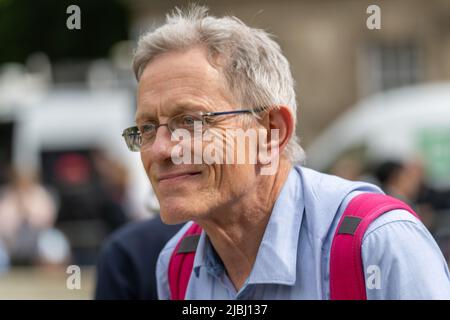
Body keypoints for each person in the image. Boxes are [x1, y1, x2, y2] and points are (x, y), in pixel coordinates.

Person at [122, 5, 450, 299]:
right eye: (147, 128)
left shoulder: (376, 244)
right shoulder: (177, 265)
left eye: (190, 121)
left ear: (272, 131)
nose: (162, 150)